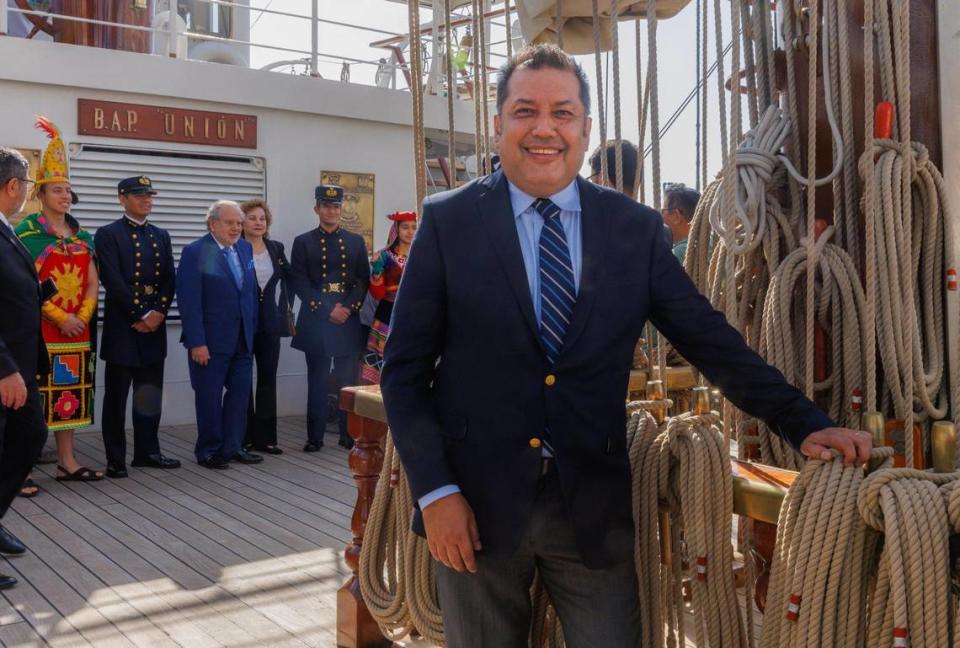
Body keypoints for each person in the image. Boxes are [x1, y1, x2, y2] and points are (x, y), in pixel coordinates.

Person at [380, 44, 872, 647]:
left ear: (586, 130)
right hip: (472, 508)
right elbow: (403, 375)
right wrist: (436, 493)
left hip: (590, 507)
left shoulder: (633, 229)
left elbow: (709, 340)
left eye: (562, 113)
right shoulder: (448, 221)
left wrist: (802, 421)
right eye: (524, 110)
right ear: (498, 122)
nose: (543, 128)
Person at [16, 117, 103, 483]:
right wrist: (58, 317)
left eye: (68, 190)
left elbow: (92, 282)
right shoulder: (25, 233)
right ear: (40, 194)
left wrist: (80, 316)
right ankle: (18, 469)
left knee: (70, 394)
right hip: (37, 330)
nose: (65, 196)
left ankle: (66, 461)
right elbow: (23, 285)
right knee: (29, 401)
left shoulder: (83, 235)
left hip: (76, 331)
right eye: (57, 190)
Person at [95, 176, 180, 479]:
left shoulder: (161, 234)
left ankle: (148, 452)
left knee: (149, 394)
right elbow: (112, 280)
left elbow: (170, 277)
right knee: (116, 398)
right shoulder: (107, 234)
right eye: (139, 195)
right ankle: (115, 458)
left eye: (149, 195)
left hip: (154, 326)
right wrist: (140, 313)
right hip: (123, 325)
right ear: (122, 199)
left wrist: (158, 311)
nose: (147, 200)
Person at [176, 200, 261, 469]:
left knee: (239, 396)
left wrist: (251, 331)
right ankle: (209, 450)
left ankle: (233, 447)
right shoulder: (196, 252)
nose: (236, 228)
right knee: (209, 397)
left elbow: (247, 295)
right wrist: (197, 341)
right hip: (210, 342)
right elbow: (189, 301)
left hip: (242, 340)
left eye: (239, 222)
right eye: (229, 222)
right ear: (213, 224)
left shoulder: (245, 249)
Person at [0, 147, 50, 590]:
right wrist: (4, 368)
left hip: (20, 361)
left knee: (31, 435)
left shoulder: (7, 228)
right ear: (13, 186)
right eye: (29, 187)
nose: (28, 196)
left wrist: (44, 286)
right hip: (4, 368)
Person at [290, 185, 370, 451]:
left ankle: (348, 435)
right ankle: (315, 437)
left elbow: (362, 280)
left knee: (348, 382)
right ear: (317, 209)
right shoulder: (303, 242)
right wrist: (327, 310)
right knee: (318, 380)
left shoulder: (355, 241)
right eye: (326, 206)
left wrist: (347, 308)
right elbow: (300, 282)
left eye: (336, 207)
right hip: (317, 322)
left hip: (347, 320)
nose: (331, 211)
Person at [241, 198, 294, 455]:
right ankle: (245, 437)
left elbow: (290, 278)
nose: (258, 223)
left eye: (262, 218)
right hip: (242, 322)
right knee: (241, 380)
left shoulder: (275, 248)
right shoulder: (235, 247)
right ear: (242, 222)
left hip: (269, 322)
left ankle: (266, 438)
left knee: (267, 379)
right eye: (252, 218)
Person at [360, 210, 417, 384]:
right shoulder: (384, 256)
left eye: (414, 228)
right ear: (396, 230)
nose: (410, 232)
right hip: (387, 315)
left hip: (414, 316)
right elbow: (377, 293)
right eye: (405, 227)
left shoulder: (423, 255)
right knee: (382, 367)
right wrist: (376, 275)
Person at [663, 183, 700, 263]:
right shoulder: (714, 245)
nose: (662, 216)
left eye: (663, 211)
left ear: (676, 216)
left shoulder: (677, 253)